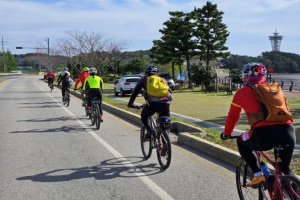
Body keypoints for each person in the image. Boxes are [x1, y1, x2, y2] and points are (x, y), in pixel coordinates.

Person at [221, 62, 295, 186]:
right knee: (285, 169)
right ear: (264, 75)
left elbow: (233, 116)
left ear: (245, 76)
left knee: (241, 141)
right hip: (288, 131)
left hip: (263, 134)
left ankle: (258, 175)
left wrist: (227, 133)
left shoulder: (242, 92)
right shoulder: (274, 89)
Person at [127, 65, 173, 137]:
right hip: (165, 103)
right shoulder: (162, 80)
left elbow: (135, 92)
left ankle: (149, 130)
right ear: (157, 73)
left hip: (152, 104)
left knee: (144, 116)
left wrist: (131, 104)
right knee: (165, 121)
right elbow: (169, 91)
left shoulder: (144, 80)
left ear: (146, 73)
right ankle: (165, 138)